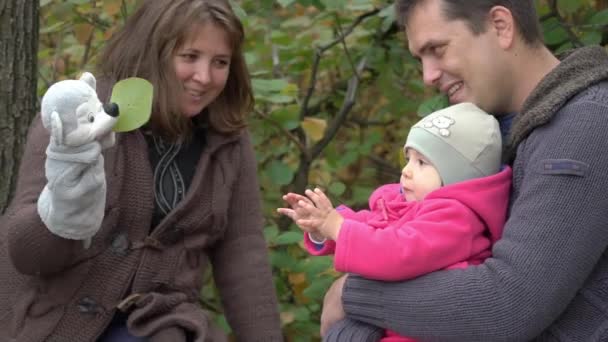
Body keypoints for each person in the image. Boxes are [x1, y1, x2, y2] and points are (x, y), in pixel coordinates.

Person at [320, 0, 608, 341]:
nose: (428, 76)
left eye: (437, 49)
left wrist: (351, 295)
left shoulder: (587, 124)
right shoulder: (476, 141)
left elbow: (505, 305)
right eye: (420, 59)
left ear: (501, 26)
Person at [0, 0, 283, 341]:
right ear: (155, 50)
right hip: (53, 319)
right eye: (190, 57)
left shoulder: (228, 142)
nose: (204, 77)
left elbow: (243, 253)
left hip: (157, 325)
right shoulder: (83, 114)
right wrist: (63, 206)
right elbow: (25, 255)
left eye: (220, 62)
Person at [278, 103, 511, 341]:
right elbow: (370, 226)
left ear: (456, 178)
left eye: (422, 162)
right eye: (408, 158)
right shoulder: (404, 205)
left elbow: (398, 252)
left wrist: (336, 226)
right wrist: (322, 227)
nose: (406, 171)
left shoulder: (456, 219)